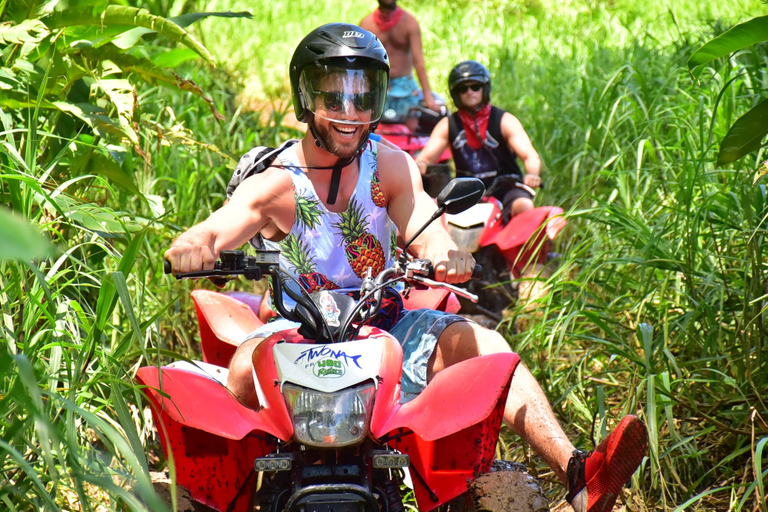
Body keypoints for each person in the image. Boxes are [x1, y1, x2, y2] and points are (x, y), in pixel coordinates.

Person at [164, 23, 648, 512]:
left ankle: (578, 472)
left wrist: (444, 253)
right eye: (334, 99)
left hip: (385, 321)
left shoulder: (391, 165)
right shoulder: (275, 182)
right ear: (306, 99)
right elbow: (219, 225)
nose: (350, 114)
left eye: (363, 97)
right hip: (297, 330)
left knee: (488, 347)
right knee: (242, 374)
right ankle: (230, 497)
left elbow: (422, 222)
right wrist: (192, 245)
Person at [415, 60, 542, 224]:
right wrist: (421, 165)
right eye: (463, 88)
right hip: (467, 191)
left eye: (475, 86)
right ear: (456, 93)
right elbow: (425, 157)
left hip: (506, 187)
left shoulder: (504, 120)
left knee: (524, 206)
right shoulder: (448, 124)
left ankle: (529, 250)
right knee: (430, 212)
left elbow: (530, 155)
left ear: (485, 88)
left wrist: (533, 174)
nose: (470, 92)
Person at [360, 0, 441, 127]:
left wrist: (427, 96)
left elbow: (418, 61)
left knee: (411, 129)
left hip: (405, 85)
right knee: (373, 129)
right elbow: (361, 62)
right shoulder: (366, 24)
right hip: (377, 84)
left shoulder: (409, 22)